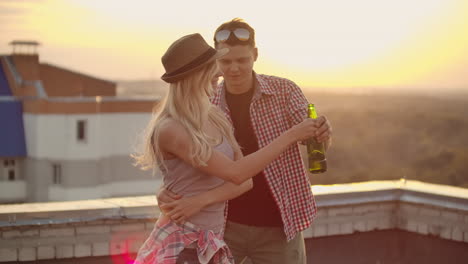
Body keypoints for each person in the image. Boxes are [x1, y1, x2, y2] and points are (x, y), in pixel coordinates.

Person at [133, 33, 321, 264]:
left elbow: (245, 180)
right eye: (214, 69)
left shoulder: (215, 117)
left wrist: (201, 200)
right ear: (195, 77)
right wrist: (292, 135)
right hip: (183, 243)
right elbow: (237, 172)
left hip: (212, 241)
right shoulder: (171, 128)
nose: (221, 73)